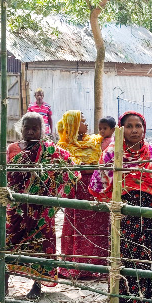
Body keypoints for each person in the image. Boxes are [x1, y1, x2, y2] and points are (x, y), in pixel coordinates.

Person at [0, 112, 77, 299]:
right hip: (16, 207)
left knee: (40, 247)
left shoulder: (50, 150)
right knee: (8, 244)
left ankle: (37, 286)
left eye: (34, 128)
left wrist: (53, 189)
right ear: (21, 128)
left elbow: (71, 168)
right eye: (26, 128)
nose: (30, 132)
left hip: (41, 208)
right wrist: (0, 205)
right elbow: (6, 181)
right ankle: (3, 284)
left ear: (42, 130)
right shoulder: (12, 149)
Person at [89, 112, 152, 303]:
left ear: (144, 128)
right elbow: (98, 184)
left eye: (138, 126)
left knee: (149, 257)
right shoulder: (112, 153)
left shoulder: (151, 152)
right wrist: (116, 200)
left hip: (149, 216)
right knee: (125, 258)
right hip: (123, 216)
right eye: (129, 126)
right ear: (121, 130)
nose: (134, 130)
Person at [56, 110, 109, 279]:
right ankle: (76, 266)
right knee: (75, 226)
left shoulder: (95, 141)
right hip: (76, 189)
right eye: (82, 122)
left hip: (96, 188)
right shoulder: (63, 147)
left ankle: (98, 265)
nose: (86, 125)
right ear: (73, 125)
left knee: (98, 226)